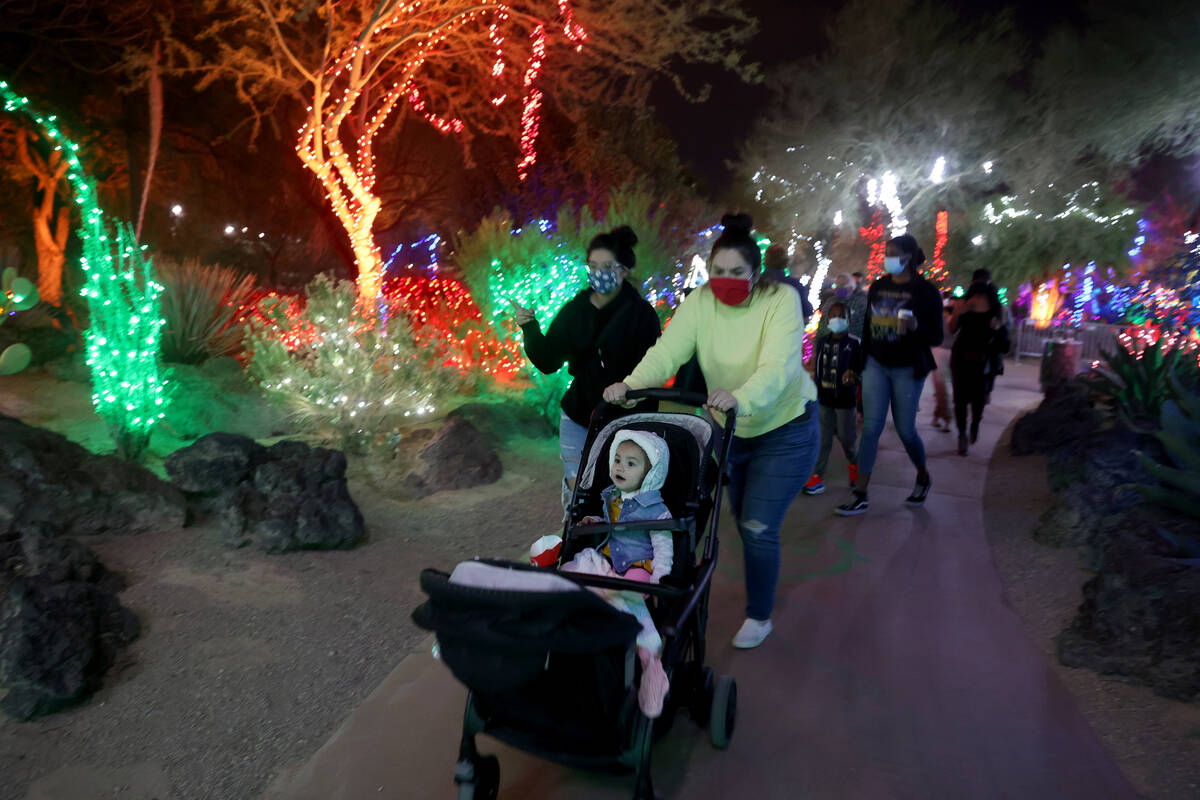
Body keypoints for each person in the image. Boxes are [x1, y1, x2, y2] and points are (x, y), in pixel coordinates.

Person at [603, 213, 818, 650]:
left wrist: (741, 396)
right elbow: (668, 351)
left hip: (784, 427)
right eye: (718, 272)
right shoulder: (701, 301)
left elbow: (778, 367)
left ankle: (759, 616)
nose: (725, 281)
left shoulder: (780, 300)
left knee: (756, 525)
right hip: (731, 429)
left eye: (737, 273)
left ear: (755, 274)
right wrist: (631, 385)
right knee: (732, 513)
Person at [512, 226, 661, 517]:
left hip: (627, 423)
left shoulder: (641, 316)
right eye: (593, 266)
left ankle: (616, 554)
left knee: (621, 500)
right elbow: (549, 360)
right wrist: (529, 327)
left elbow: (655, 367)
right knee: (579, 496)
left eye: (607, 267)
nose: (599, 273)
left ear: (624, 270)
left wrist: (632, 390)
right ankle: (577, 549)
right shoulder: (575, 311)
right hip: (580, 416)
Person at [563, 429, 673, 718]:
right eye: (618, 460)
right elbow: (614, 525)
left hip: (638, 569)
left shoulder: (656, 509)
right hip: (609, 563)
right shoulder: (612, 496)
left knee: (625, 596)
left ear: (650, 473)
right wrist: (596, 520)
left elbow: (663, 545)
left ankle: (651, 660)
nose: (620, 467)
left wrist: (661, 576)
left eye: (631, 463)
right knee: (569, 572)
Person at [835, 234, 943, 516]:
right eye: (886, 252)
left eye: (892, 253)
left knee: (906, 431)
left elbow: (937, 336)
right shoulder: (879, 287)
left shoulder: (926, 292)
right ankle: (860, 493)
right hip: (876, 364)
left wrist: (915, 327)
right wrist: (858, 364)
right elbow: (869, 330)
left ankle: (922, 475)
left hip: (908, 367)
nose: (887, 258)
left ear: (908, 258)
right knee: (870, 429)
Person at [803, 302, 860, 495]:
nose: (837, 319)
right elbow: (817, 367)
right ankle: (817, 476)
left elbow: (862, 370)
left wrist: (854, 376)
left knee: (847, 439)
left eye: (841, 315)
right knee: (823, 439)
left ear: (848, 319)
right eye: (833, 315)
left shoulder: (854, 344)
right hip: (824, 400)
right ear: (827, 320)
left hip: (845, 401)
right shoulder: (822, 342)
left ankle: (855, 466)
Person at [948, 274, 1004, 455]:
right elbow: (952, 329)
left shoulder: (994, 308)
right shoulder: (966, 305)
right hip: (965, 358)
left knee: (972, 400)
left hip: (978, 359)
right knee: (962, 400)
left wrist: (996, 327)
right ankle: (964, 433)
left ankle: (971, 427)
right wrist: (958, 312)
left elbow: (1001, 337)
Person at [763, 243, 813, 321]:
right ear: (785, 262)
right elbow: (806, 313)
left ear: (766, 260)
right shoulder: (794, 285)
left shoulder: (754, 282)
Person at [929, 290, 955, 432]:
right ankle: (939, 416)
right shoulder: (944, 314)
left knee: (940, 388)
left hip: (941, 352)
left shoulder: (941, 315)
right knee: (941, 388)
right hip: (944, 351)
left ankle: (944, 417)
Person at [815, 272, 868, 340]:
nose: (839, 288)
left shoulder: (860, 303)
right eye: (837, 286)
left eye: (843, 286)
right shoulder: (830, 301)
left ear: (851, 288)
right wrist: (819, 339)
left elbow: (861, 326)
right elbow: (823, 323)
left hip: (851, 343)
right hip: (829, 342)